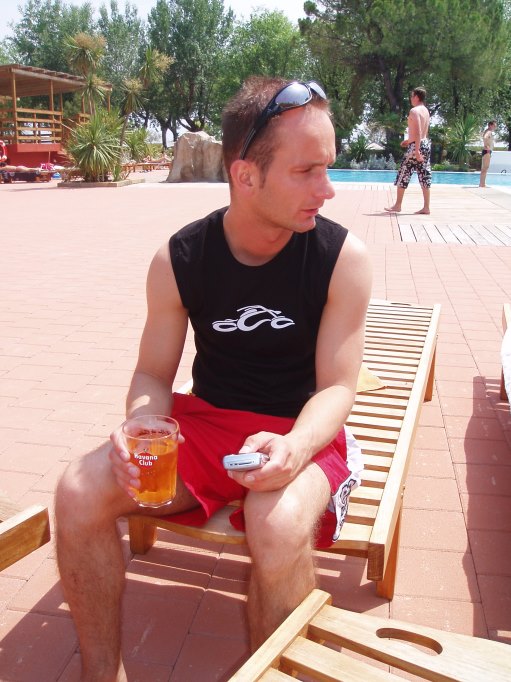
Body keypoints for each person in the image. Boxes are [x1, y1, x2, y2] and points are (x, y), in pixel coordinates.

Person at [55, 76, 372, 681]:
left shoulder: (342, 259)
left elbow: (337, 387)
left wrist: (295, 446)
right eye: (306, 171)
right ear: (245, 176)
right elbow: (153, 372)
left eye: (327, 167)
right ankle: (99, 674)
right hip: (207, 425)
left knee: (277, 526)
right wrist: (142, 423)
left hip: (302, 430)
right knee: (77, 491)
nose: (327, 189)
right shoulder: (180, 259)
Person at [385, 87, 431, 214]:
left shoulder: (414, 111)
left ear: (416, 97)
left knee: (404, 173)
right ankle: (426, 207)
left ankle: (397, 205)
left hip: (417, 147)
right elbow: (423, 133)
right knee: (424, 175)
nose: (411, 99)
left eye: (412, 96)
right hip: (425, 144)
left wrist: (416, 149)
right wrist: (409, 141)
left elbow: (418, 131)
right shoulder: (426, 111)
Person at [479, 120, 497, 188]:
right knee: (485, 168)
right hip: (487, 151)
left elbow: (485, 137)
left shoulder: (487, 131)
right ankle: (482, 184)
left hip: (486, 151)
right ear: (490, 125)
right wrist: (487, 146)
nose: (495, 127)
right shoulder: (489, 131)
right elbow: (485, 137)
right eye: (494, 125)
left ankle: (482, 184)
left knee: (484, 168)